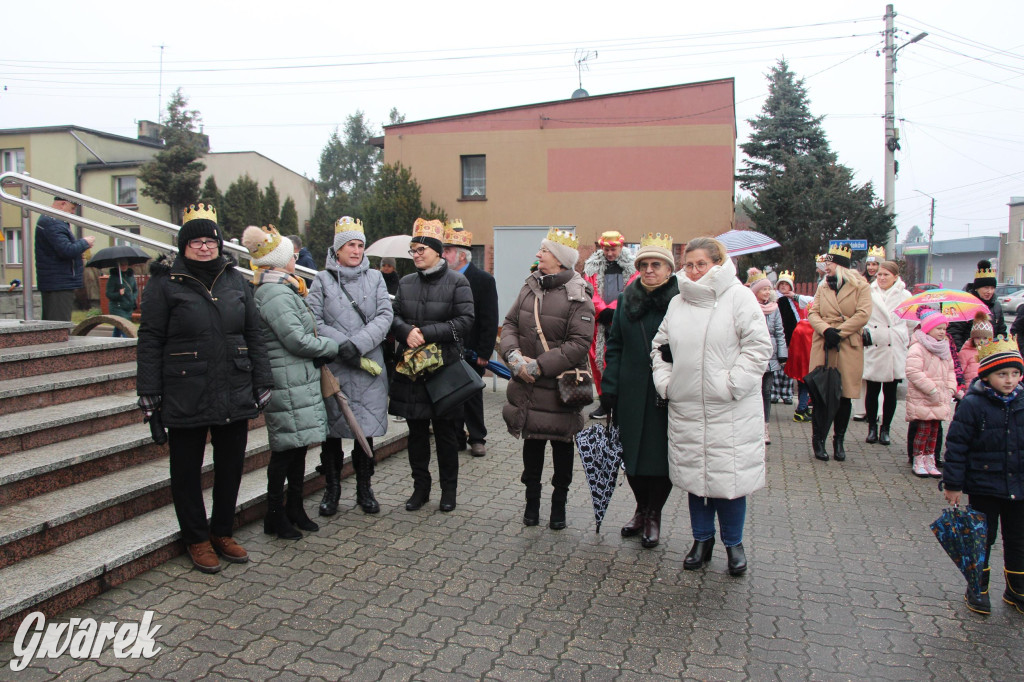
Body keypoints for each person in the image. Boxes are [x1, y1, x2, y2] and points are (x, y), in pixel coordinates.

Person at [136, 204, 273, 573]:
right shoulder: (165, 284)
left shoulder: (235, 280)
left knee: (230, 466)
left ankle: (222, 532)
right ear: (183, 246)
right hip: (185, 388)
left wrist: (263, 379)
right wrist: (149, 393)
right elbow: (149, 339)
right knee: (186, 470)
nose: (203, 247)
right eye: (195, 241)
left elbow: (253, 333)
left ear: (219, 243)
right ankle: (196, 539)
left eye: (209, 240)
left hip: (233, 383)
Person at [651, 237, 771, 576]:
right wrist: (667, 383)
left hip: (729, 410)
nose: (693, 271)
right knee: (696, 480)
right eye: (688, 265)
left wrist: (733, 384)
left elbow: (759, 347)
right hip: (687, 406)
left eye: (701, 264)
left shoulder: (739, 298)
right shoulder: (677, 303)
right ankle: (701, 540)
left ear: (718, 264)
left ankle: (734, 544)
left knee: (728, 483)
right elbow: (659, 348)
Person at [242, 225, 339, 539]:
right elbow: (296, 339)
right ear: (279, 260)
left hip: (298, 378)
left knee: (298, 448)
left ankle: (295, 509)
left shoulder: (285, 288)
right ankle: (274, 515)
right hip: (287, 379)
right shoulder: (274, 293)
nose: (295, 259)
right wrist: (332, 347)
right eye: (290, 255)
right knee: (285, 450)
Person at [501, 228, 594, 530]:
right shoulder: (530, 286)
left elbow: (579, 344)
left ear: (560, 259)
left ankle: (559, 507)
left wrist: (539, 366)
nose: (538, 255)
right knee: (533, 444)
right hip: (528, 383)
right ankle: (531, 505)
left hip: (561, 386)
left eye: (545, 251)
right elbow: (511, 323)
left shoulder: (578, 293)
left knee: (562, 446)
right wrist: (513, 357)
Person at [308, 216, 393, 517]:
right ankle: (332, 491)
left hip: (366, 365)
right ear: (338, 249)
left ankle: (364, 490)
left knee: (363, 432)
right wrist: (340, 345)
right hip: (335, 369)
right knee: (333, 435)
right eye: (350, 245)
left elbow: (385, 315)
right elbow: (313, 320)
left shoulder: (376, 279)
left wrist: (355, 344)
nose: (356, 251)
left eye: (360, 245)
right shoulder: (321, 280)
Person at [389, 218, 474, 513]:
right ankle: (420, 489)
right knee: (416, 434)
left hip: (444, 372)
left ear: (438, 251)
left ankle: (448, 491)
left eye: (421, 249)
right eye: (413, 250)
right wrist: (405, 331)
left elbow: (465, 322)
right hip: (413, 373)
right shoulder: (406, 282)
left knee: (447, 435)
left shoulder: (457, 282)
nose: (416, 254)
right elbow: (393, 315)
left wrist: (426, 332)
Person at [600, 233, 676, 548]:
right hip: (631, 389)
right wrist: (610, 388)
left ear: (669, 269)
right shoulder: (628, 298)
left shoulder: (682, 299)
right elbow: (614, 345)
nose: (648, 270)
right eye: (643, 264)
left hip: (666, 391)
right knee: (631, 457)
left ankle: (654, 514)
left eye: (655, 264)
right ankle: (640, 509)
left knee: (660, 459)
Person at [942, 336, 1024, 616]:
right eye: (1002, 374)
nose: (1010, 380)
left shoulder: (1023, 402)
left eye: (1015, 373)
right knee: (982, 539)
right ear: (987, 376)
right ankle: (978, 588)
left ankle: (1017, 588)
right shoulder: (973, 405)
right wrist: (953, 484)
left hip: (1018, 486)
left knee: (1018, 538)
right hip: (984, 485)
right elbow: (956, 446)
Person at [807, 244, 871, 462]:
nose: (826, 267)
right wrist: (826, 330)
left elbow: (863, 314)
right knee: (821, 394)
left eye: (830, 263)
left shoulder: (861, 286)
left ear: (841, 265)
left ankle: (839, 440)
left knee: (844, 396)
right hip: (824, 343)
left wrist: (840, 332)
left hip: (846, 344)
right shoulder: (823, 286)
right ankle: (818, 440)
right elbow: (813, 312)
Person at [442, 221, 499, 457]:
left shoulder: (483, 280)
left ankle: (477, 438)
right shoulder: (442, 278)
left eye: (447, 251)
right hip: (448, 349)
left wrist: (485, 352)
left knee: (472, 395)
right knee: (451, 396)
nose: (443, 255)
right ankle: (456, 438)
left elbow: (489, 318)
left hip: (473, 350)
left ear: (462, 255)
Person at [583, 230, 637, 418]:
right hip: (600, 321)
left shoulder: (632, 267)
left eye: (613, 249)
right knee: (598, 361)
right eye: (606, 249)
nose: (610, 253)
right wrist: (602, 310)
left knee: (620, 361)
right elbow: (589, 290)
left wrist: (615, 309)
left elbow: (633, 287)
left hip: (622, 320)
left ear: (621, 247)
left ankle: (620, 402)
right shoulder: (592, 267)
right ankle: (604, 402)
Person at [861, 260, 912, 446]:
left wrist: (906, 340)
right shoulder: (868, 292)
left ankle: (886, 429)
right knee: (872, 390)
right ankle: (872, 427)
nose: (881, 278)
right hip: (875, 343)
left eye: (886, 275)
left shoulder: (905, 295)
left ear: (895, 277)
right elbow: (861, 315)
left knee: (891, 392)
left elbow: (912, 322)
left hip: (895, 346)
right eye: (880, 274)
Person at [905, 309, 959, 478]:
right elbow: (913, 371)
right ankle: (918, 459)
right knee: (923, 430)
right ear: (928, 329)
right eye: (939, 328)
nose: (943, 332)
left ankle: (930, 459)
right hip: (924, 396)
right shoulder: (918, 347)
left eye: (944, 328)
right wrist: (931, 389)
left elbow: (951, 370)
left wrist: (951, 388)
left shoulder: (944, 347)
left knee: (935, 430)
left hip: (940, 396)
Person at [34, 196, 95, 321]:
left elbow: (60, 249)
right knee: (58, 327)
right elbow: (66, 250)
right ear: (63, 204)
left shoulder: (51, 220)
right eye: (72, 208)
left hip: (56, 281)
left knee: (54, 325)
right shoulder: (53, 222)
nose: (73, 212)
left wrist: (78, 251)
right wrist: (84, 243)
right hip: (58, 283)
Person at [749, 269, 786, 445]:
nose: (767, 292)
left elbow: (780, 332)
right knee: (752, 391)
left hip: (770, 357)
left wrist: (782, 355)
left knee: (766, 392)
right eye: (763, 289)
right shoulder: (749, 307)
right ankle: (752, 426)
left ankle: (765, 427)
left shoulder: (774, 309)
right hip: (754, 355)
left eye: (768, 289)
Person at [949, 261, 1006, 350]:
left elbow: (1001, 331)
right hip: (968, 353)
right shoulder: (964, 304)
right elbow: (955, 332)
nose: (989, 291)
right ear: (977, 288)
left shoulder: (996, 306)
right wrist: (961, 353)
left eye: (992, 288)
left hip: (990, 353)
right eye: (986, 288)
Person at [772, 270, 808, 405]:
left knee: (788, 367)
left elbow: (799, 318)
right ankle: (774, 393)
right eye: (781, 284)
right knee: (776, 366)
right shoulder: (774, 300)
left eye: (786, 285)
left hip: (791, 339)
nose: (783, 287)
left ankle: (787, 394)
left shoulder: (796, 301)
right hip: (777, 337)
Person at [958, 311, 994, 390]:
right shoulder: (965, 353)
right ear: (973, 338)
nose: (981, 341)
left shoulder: (993, 352)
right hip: (970, 390)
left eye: (985, 338)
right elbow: (959, 372)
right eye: (978, 338)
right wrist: (962, 388)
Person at [105, 261, 138, 338]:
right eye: (122, 265)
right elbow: (108, 294)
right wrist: (119, 294)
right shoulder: (113, 278)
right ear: (118, 266)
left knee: (118, 328)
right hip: (117, 307)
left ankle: (112, 345)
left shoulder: (131, 277)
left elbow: (135, 290)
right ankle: (129, 345)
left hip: (128, 307)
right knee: (125, 328)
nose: (124, 266)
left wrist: (133, 298)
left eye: (125, 264)